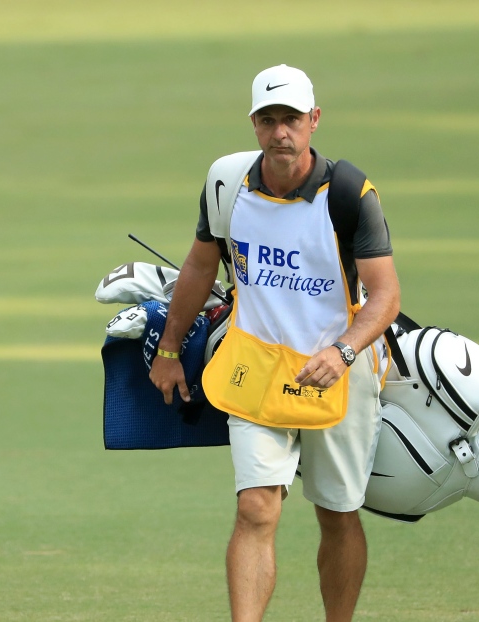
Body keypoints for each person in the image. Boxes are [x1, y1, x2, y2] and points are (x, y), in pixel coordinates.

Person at [149, 64, 400, 622]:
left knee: (336, 514)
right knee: (256, 509)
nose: (279, 132)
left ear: (314, 120)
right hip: (254, 364)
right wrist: (168, 351)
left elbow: (384, 296)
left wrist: (343, 352)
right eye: (268, 120)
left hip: (337, 370)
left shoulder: (351, 194)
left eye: (291, 119)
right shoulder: (226, 182)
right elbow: (199, 263)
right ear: (254, 124)